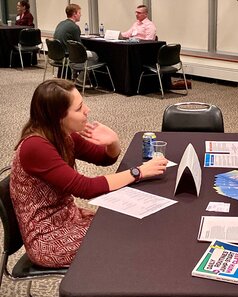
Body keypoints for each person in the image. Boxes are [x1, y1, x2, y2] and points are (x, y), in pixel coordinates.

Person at [9, 79, 168, 268]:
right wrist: (138, 172)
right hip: (48, 237)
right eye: (78, 108)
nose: (87, 110)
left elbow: (104, 159)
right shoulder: (35, 146)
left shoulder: (62, 133)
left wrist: (113, 142)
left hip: (69, 217)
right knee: (128, 238)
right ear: (58, 116)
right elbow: (86, 188)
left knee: (128, 224)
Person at [54, 3, 98, 83]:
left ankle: (74, 76)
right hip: (68, 56)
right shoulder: (74, 27)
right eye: (79, 13)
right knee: (94, 55)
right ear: (74, 14)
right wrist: (86, 49)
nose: (80, 15)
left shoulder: (60, 24)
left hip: (58, 55)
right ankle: (80, 80)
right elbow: (79, 46)